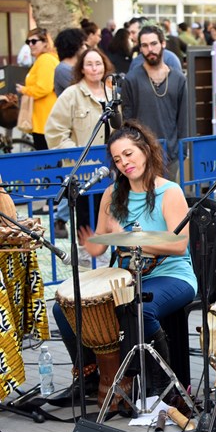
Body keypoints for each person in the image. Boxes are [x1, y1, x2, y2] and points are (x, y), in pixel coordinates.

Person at [49, 120, 197, 407]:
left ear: (145, 149)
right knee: (63, 307)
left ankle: (163, 388)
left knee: (140, 309)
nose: (124, 163)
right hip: (126, 276)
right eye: (118, 159)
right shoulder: (113, 194)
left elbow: (179, 245)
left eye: (129, 154)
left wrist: (131, 239)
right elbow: (102, 243)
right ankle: (91, 376)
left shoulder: (170, 191)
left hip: (173, 275)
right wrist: (93, 243)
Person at [45, 48, 116, 244]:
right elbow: (54, 131)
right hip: (83, 173)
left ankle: (109, 263)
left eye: (98, 63)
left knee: (110, 216)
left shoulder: (112, 94)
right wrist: (77, 154)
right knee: (86, 220)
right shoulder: (71, 94)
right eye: (89, 64)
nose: (95, 69)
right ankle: (88, 263)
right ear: (81, 69)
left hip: (111, 170)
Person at [121, 25, 187, 182]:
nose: (150, 49)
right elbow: (127, 119)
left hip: (170, 155)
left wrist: (181, 151)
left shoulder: (178, 78)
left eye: (154, 44)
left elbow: (183, 119)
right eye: (144, 45)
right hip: (141, 154)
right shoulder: (132, 79)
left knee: (168, 202)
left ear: (163, 44)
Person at [16, 27, 58, 150]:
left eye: (34, 41)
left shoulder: (45, 60)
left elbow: (44, 87)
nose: (30, 45)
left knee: (46, 161)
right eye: (28, 42)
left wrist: (25, 90)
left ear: (45, 43)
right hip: (43, 119)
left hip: (45, 119)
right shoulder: (43, 59)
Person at [53, 28, 87, 97]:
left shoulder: (73, 67)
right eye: (83, 45)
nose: (85, 48)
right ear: (76, 46)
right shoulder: (63, 69)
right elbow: (82, 92)